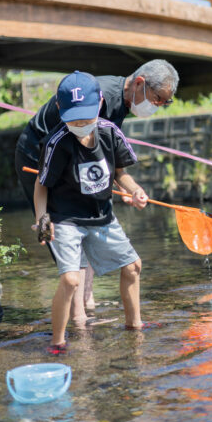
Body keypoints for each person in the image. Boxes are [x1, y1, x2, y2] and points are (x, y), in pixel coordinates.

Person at [15, 59, 179, 321]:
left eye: (163, 103)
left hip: (74, 157)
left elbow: (104, 154)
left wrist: (124, 186)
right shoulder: (100, 98)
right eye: (157, 99)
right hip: (40, 155)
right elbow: (80, 150)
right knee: (70, 227)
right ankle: (79, 322)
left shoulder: (123, 102)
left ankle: (86, 302)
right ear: (139, 83)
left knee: (91, 216)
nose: (157, 106)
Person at [34, 70, 148, 354]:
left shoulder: (110, 132)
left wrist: (134, 190)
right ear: (60, 110)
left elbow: (120, 174)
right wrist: (42, 219)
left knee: (133, 266)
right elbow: (41, 185)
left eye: (86, 118)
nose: (81, 124)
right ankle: (57, 342)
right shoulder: (56, 142)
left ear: (99, 103)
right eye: (73, 119)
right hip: (67, 218)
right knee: (71, 279)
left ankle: (135, 326)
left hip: (101, 215)